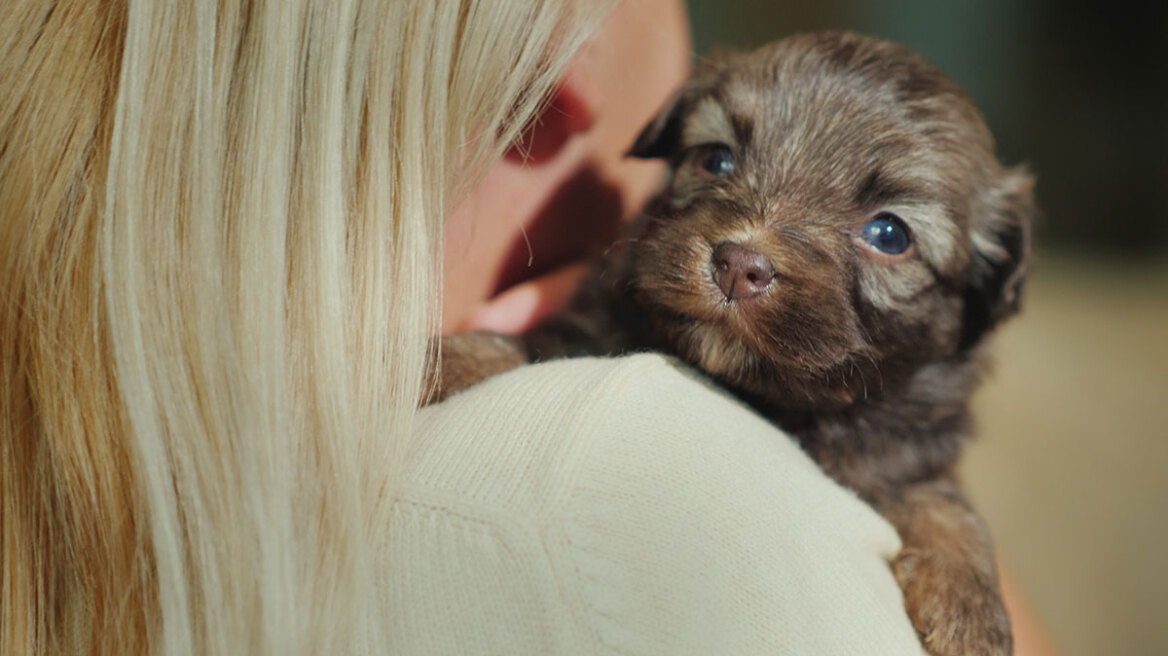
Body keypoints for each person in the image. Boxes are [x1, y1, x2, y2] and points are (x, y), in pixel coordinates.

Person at [0, 0, 1055, 654]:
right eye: (719, 161)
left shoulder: (899, 444)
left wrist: (949, 539)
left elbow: (924, 481)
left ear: (986, 298)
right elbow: (549, 351)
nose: (752, 244)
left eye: (884, 233)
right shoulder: (605, 462)